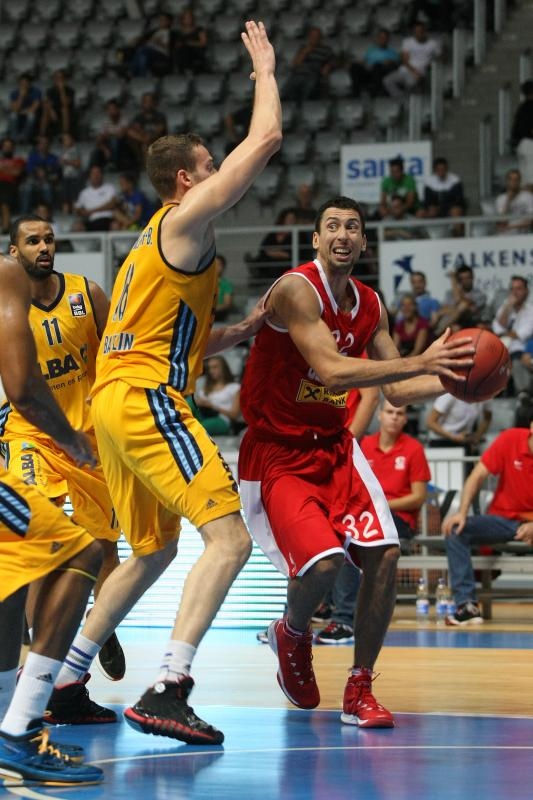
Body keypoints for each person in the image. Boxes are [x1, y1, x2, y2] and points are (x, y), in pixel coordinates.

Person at [48, 20, 282, 746]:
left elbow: (161, 338)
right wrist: (265, 72)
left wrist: (236, 333)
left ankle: (64, 679)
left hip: (112, 404)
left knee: (149, 552)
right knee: (230, 542)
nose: (219, 172)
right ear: (186, 179)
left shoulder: (152, 243)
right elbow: (264, 143)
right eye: (209, 164)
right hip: (148, 400)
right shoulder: (186, 221)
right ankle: (167, 686)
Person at [238, 195, 474, 726]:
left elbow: (398, 388)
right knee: (323, 564)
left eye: (353, 227)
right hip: (278, 451)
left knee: (386, 555)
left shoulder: (370, 304)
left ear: (364, 243)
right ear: (317, 240)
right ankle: (292, 632)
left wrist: (455, 383)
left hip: (335, 447)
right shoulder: (297, 290)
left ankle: (360, 687)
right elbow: (333, 372)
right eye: (332, 226)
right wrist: (425, 359)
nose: (342, 234)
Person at [3, 213, 126, 702]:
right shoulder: (8, 305)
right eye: (32, 240)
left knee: (108, 549)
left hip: (91, 442)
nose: (43, 246)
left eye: (49, 239)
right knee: (42, 543)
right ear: (15, 252)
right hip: (31, 436)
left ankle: (100, 626)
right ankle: (41, 658)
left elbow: (121, 355)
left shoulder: (87, 294)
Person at [0, 251, 103, 785]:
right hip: (29, 442)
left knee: (9, 584)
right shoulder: (6, 273)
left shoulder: (83, 295)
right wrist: (68, 437)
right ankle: (16, 731)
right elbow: (21, 385)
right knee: (82, 551)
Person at [316, 398, 431, 644]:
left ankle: (344, 620)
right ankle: (321, 605)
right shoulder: (364, 445)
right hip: (364, 516)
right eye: (389, 412)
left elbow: (418, 497)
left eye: (400, 413)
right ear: (379, 415)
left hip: (398, 520)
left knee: (352, 542)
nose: (394, 417)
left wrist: (381, 506)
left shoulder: (413, 449)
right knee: (326, 538)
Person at [442, 412, 533, 625]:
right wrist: (462, 513)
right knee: (456, 530)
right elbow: (477, 475)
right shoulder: (510, 439)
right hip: (504, 520)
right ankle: (466, 605)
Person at [492, 276, 533, 396]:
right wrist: (508, 307)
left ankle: (523, 395)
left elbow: (522, 335)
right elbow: (497, 329)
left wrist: (504, 333)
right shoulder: (506, 307)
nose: (515, 292)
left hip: (522, 351)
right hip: (502, 351)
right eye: (512, 289)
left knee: (515, 362)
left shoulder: (531, 310)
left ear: (526, 291)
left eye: (519, 289)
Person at [383, 21, 441, 99]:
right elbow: (405, 60)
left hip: (422, 71)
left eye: (420, 31)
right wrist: (414, 72)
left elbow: (440, 57)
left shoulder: (433, 43)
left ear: (424, 31)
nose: (418, 33)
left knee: (411, 83)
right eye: (416, 31)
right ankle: (401, 98)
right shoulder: (407, 42)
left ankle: (412, 101)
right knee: (387, 80)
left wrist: (432, 62)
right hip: (406, 71)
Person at [191, 356, 242, 436]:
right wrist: (198, 403)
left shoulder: (234, 387)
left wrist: (212, 406)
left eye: (215, 367)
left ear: (223, 368)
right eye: (210, 368)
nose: (212, 371)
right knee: (190, 401)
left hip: (222, 419)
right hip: (203, 414)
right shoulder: (206, 387)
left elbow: (235, 415)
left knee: (198, 427)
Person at [282, 26, 335, 102]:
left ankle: (303, 107)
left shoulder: (326, 50)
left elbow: (334, 61)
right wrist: (306, 51)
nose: (314, 38)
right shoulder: (303, 48)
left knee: (309, 88)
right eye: (312, 36)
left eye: (316, 36)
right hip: (299, 74)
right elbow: (295, 63)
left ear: (320, 38)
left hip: (313, 75)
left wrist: (328, 66)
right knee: (287, 90)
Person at [433, 265, 488, 335]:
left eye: (468, 278)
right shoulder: (450, 293)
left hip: (472, 321)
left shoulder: (480, 294)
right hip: (455, 322)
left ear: (473, 278)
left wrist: (453, 283)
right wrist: (454, 309)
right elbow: (443, 309)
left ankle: (438, 331)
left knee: (463, 305)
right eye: (462, 279)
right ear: (459, 280)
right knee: (455, 328)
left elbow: (471, 309)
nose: (465, 281)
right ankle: (439, 331)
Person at [350, 28, 400, 98]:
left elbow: (395, 64)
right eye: (380, 37)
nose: (382, 39)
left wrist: (388, 62)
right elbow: (365, 61)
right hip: (368, 71)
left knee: (377, 66)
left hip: (380, 72)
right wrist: (360, 63)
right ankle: (355, 93)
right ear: (377, 38)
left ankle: (375, 93)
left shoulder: (392, 52)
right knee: (354, 66)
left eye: (384, 38)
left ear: (388, 39)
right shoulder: (371, 50)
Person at [19, 136, 62, 215]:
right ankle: (24, 213)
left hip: (47, 180)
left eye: (46, 143)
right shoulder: (32, 156)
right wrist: (37, 171)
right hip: (33, 179)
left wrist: (46, 174)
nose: (44, 145)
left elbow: (56, 172)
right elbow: (28, 169)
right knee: (27, 188)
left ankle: (48, 213)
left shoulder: (53, 157)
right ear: (38, 145)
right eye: (41, 143)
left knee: (47, 188)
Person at [90, 99, 136, 172]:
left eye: (113, 109)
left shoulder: (124, 120)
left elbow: (121, 135)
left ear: (118, 109)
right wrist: (105, 150)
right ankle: (92, 171)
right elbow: (99, 139)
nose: (111, 111)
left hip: (123, 145)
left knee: (115, 141)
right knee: (96, 152)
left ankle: (113, 163)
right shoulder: (105, 122)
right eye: (109, 109)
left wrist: (109, 134)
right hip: (108, 145)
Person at [126, 92, 168, 168]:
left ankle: (147, 168)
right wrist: (144, 138)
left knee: (146, 145)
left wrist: (146, 136)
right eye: (145, 101)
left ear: (154, 103)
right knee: (131, 134)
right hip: (143, 140)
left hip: (157, 141)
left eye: (149, 101)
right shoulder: (139, 117)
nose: (147, 104)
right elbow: (133, 130)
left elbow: (159, 131)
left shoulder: (160, 116)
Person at [74, 165, 117, 232]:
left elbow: (112, 204)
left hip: (108, 220)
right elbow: (77, 209)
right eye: (93, 173)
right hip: (91, 221)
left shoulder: (109, 188)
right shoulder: (84, 193)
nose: (96, 175)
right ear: (89, 176)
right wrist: (83, 212)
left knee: (115, 225)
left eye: (98, 173)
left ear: (102, 175)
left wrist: (91, 211)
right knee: (77, 226)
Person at [131, 12, 173, 77]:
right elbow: (143, 38)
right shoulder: (154, 31)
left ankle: (133, 73)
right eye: (160, 20)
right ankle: (140, 76)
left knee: (142, 50)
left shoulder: (172, 33)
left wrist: (158, 42)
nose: (161, 22)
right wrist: (137, 40)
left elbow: (171, 48)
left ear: (169, 22)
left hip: (161, 54)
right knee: (143, 56)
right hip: (148, 51)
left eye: (164, 20)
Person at [39, 70, 77, 139]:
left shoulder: (70, 91)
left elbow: (65, 103)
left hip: (67, 112)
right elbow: (47, 103)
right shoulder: (50, 91)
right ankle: (42, 134)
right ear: (54, 79)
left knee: (64, 109)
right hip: (54, 112)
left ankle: (65, 133)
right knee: (45, 109)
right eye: (57, 78)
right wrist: (51, 111)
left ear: (64, 79)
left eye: (61, 78)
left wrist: (61, 90)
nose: (59, 80)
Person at [495, 168, 533, 234]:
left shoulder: (528, 196)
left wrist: (511, 227)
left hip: (523, 235)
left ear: (520, 181)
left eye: (516, 179)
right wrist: (508, 200)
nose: (513, 182)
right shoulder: (501, 199)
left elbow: (530, 220)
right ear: (507, 181)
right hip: (505, 235)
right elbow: (501, 222)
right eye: (510, 179)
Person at [393, 292, 431, 356]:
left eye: (410, 305)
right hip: (404, 360)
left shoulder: (423, 324)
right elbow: (394, 349)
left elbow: (417, 351)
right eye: (403, 305)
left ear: (415, 307)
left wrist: (403, 364)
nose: (406, 308)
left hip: (421, 359)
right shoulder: (399, 326)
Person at [511, 80, 533, 190]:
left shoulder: (522, 108)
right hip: (530, 144)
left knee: (524, 178)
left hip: (521, 145)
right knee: (530, 178)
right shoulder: (530, 107)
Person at [0, 137, 25, 234]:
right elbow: (12, 171)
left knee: (4, 199)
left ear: (13, 148)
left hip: (10, 186)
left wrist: (2, 169)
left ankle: (6, 226)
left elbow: (16, 173)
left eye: (10, 146)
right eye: (5, 146)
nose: (7, 148)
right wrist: (7, 170)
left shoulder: (18, 160)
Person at [8, 74, 42, 143]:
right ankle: (14, 138)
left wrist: (23, 111)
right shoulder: (14, 93)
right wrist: (21, 96)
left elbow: (34, 108)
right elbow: (14, 109)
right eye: (22, 83)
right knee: (13, 115)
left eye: (26, 83)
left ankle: (24, 137)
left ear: (29, 83)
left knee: (31, 116)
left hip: (30, 114)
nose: (24, 85)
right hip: (19, 114)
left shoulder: (36, 92)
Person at [173, 8, 208, 75]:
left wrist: (190, 43)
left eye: (190, 18)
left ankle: (187, 70)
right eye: (186, 18)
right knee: (180, 50)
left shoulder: (199, 29)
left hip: (196, 51)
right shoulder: (178, 32)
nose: (189, 20)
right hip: (182, 51)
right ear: (182, 20)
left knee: (185, 49)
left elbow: (204, 43)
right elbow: (176, 44)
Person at [214, 254, 234, 321]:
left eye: (219, 265)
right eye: (214, 265)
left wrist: (213, 309)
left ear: (223, 267)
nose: (216, 267)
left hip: (219, 315)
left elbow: (227, 304)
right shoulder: (205, 283)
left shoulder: (226, 284)